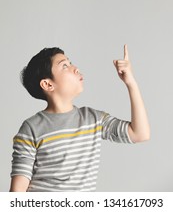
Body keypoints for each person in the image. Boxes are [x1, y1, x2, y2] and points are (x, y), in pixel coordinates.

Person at [10, 45, 150, 192]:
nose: (75, 68)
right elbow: (17, 194)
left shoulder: (94, 120)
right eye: (64, 66)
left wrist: (131, 83)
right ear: (48, 84)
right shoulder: (31, 128)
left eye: (70, 63)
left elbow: (140, 134)